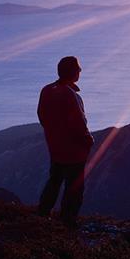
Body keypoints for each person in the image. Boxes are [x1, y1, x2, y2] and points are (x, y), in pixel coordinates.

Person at [37, 56, 94, 225]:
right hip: (74, 151)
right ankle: (68, 222)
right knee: (74, 187)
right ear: (72, 71)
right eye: (78, 68)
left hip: (55, 147)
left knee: (54, 181)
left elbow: (42, 116)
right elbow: (78, 123)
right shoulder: (70, 95)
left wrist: (54, 133)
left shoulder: (47, 90)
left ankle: (42, 214)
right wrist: (88, 140)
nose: (80, 70)